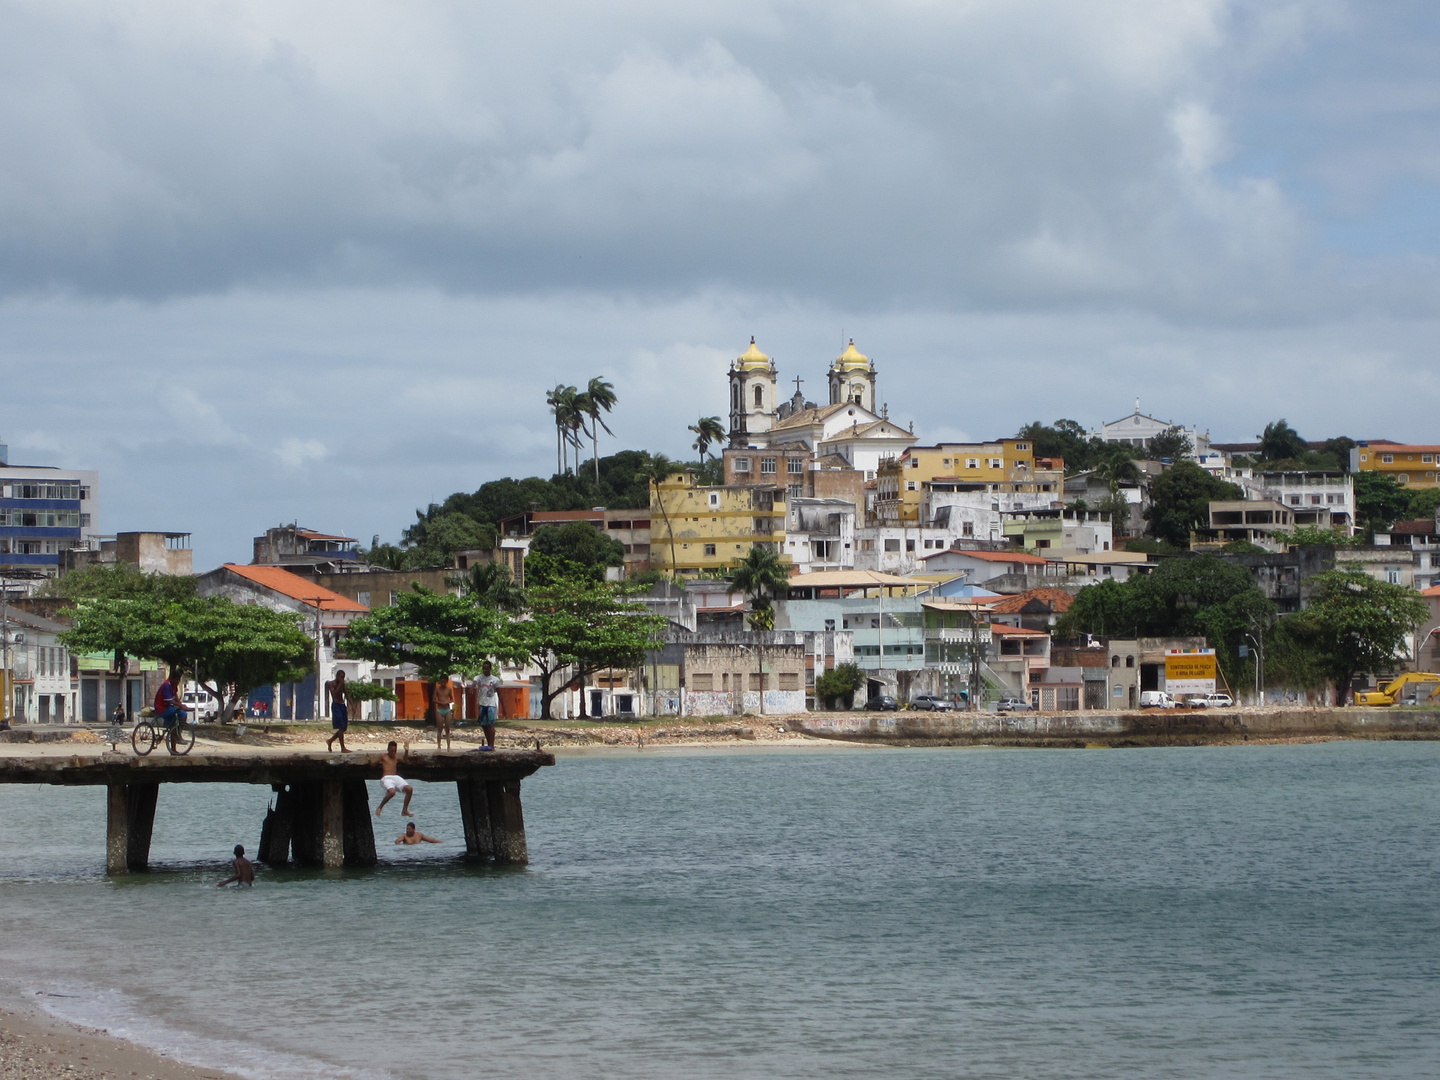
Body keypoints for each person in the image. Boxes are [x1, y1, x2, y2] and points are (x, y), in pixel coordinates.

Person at [375, 740, 414, 817]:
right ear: (388, 749)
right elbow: (373, 765)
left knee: (410, 789)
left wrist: (406, 751)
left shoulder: (396, 757)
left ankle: (404, 810)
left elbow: (405, 761)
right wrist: (370, 760)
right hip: (386, 778)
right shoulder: (383, 756)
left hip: (395, 777)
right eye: (392, 751)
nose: (393, 752)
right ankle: (379, 807)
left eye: (395, 751)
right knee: (392, 792)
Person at [474, 660, 500, 752]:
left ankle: (492, 745)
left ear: (490, 669)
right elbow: (475, 682)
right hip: (482, 703)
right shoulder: (479, 678)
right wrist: (471, 688)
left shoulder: (495, 679)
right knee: (484, 725)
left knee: (491, 725)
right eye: (484, 668)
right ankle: (489, 743)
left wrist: (504, 707)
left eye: (487, 668)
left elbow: (499, 693)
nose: (485, 670)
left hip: (491, 704)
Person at [325, 669, 351, 753]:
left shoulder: (342, 684)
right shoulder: (331, 684)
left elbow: (346, 694)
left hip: (342, 705)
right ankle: (342, 747)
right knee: (340, 727)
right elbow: (335, 694)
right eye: (340, 677)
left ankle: (330, 741)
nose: (342, 679)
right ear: (337, 676)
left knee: (344, 728)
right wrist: (340, 685)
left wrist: (352, 705)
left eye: (343, 678)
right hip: (336, 705)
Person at [433, 676, 455, 750]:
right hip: (440, 709)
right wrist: (441, 702)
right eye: (441, 682)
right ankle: (439, 746)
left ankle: (448, 746)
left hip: (447, 710)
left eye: (444, 682)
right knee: (439, 728)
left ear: (446, 682)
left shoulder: (449, 689)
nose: (443, 683)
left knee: (447, 729)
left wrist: (447, 702)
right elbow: (434, 699)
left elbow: (452, 699)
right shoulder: (437, 689)